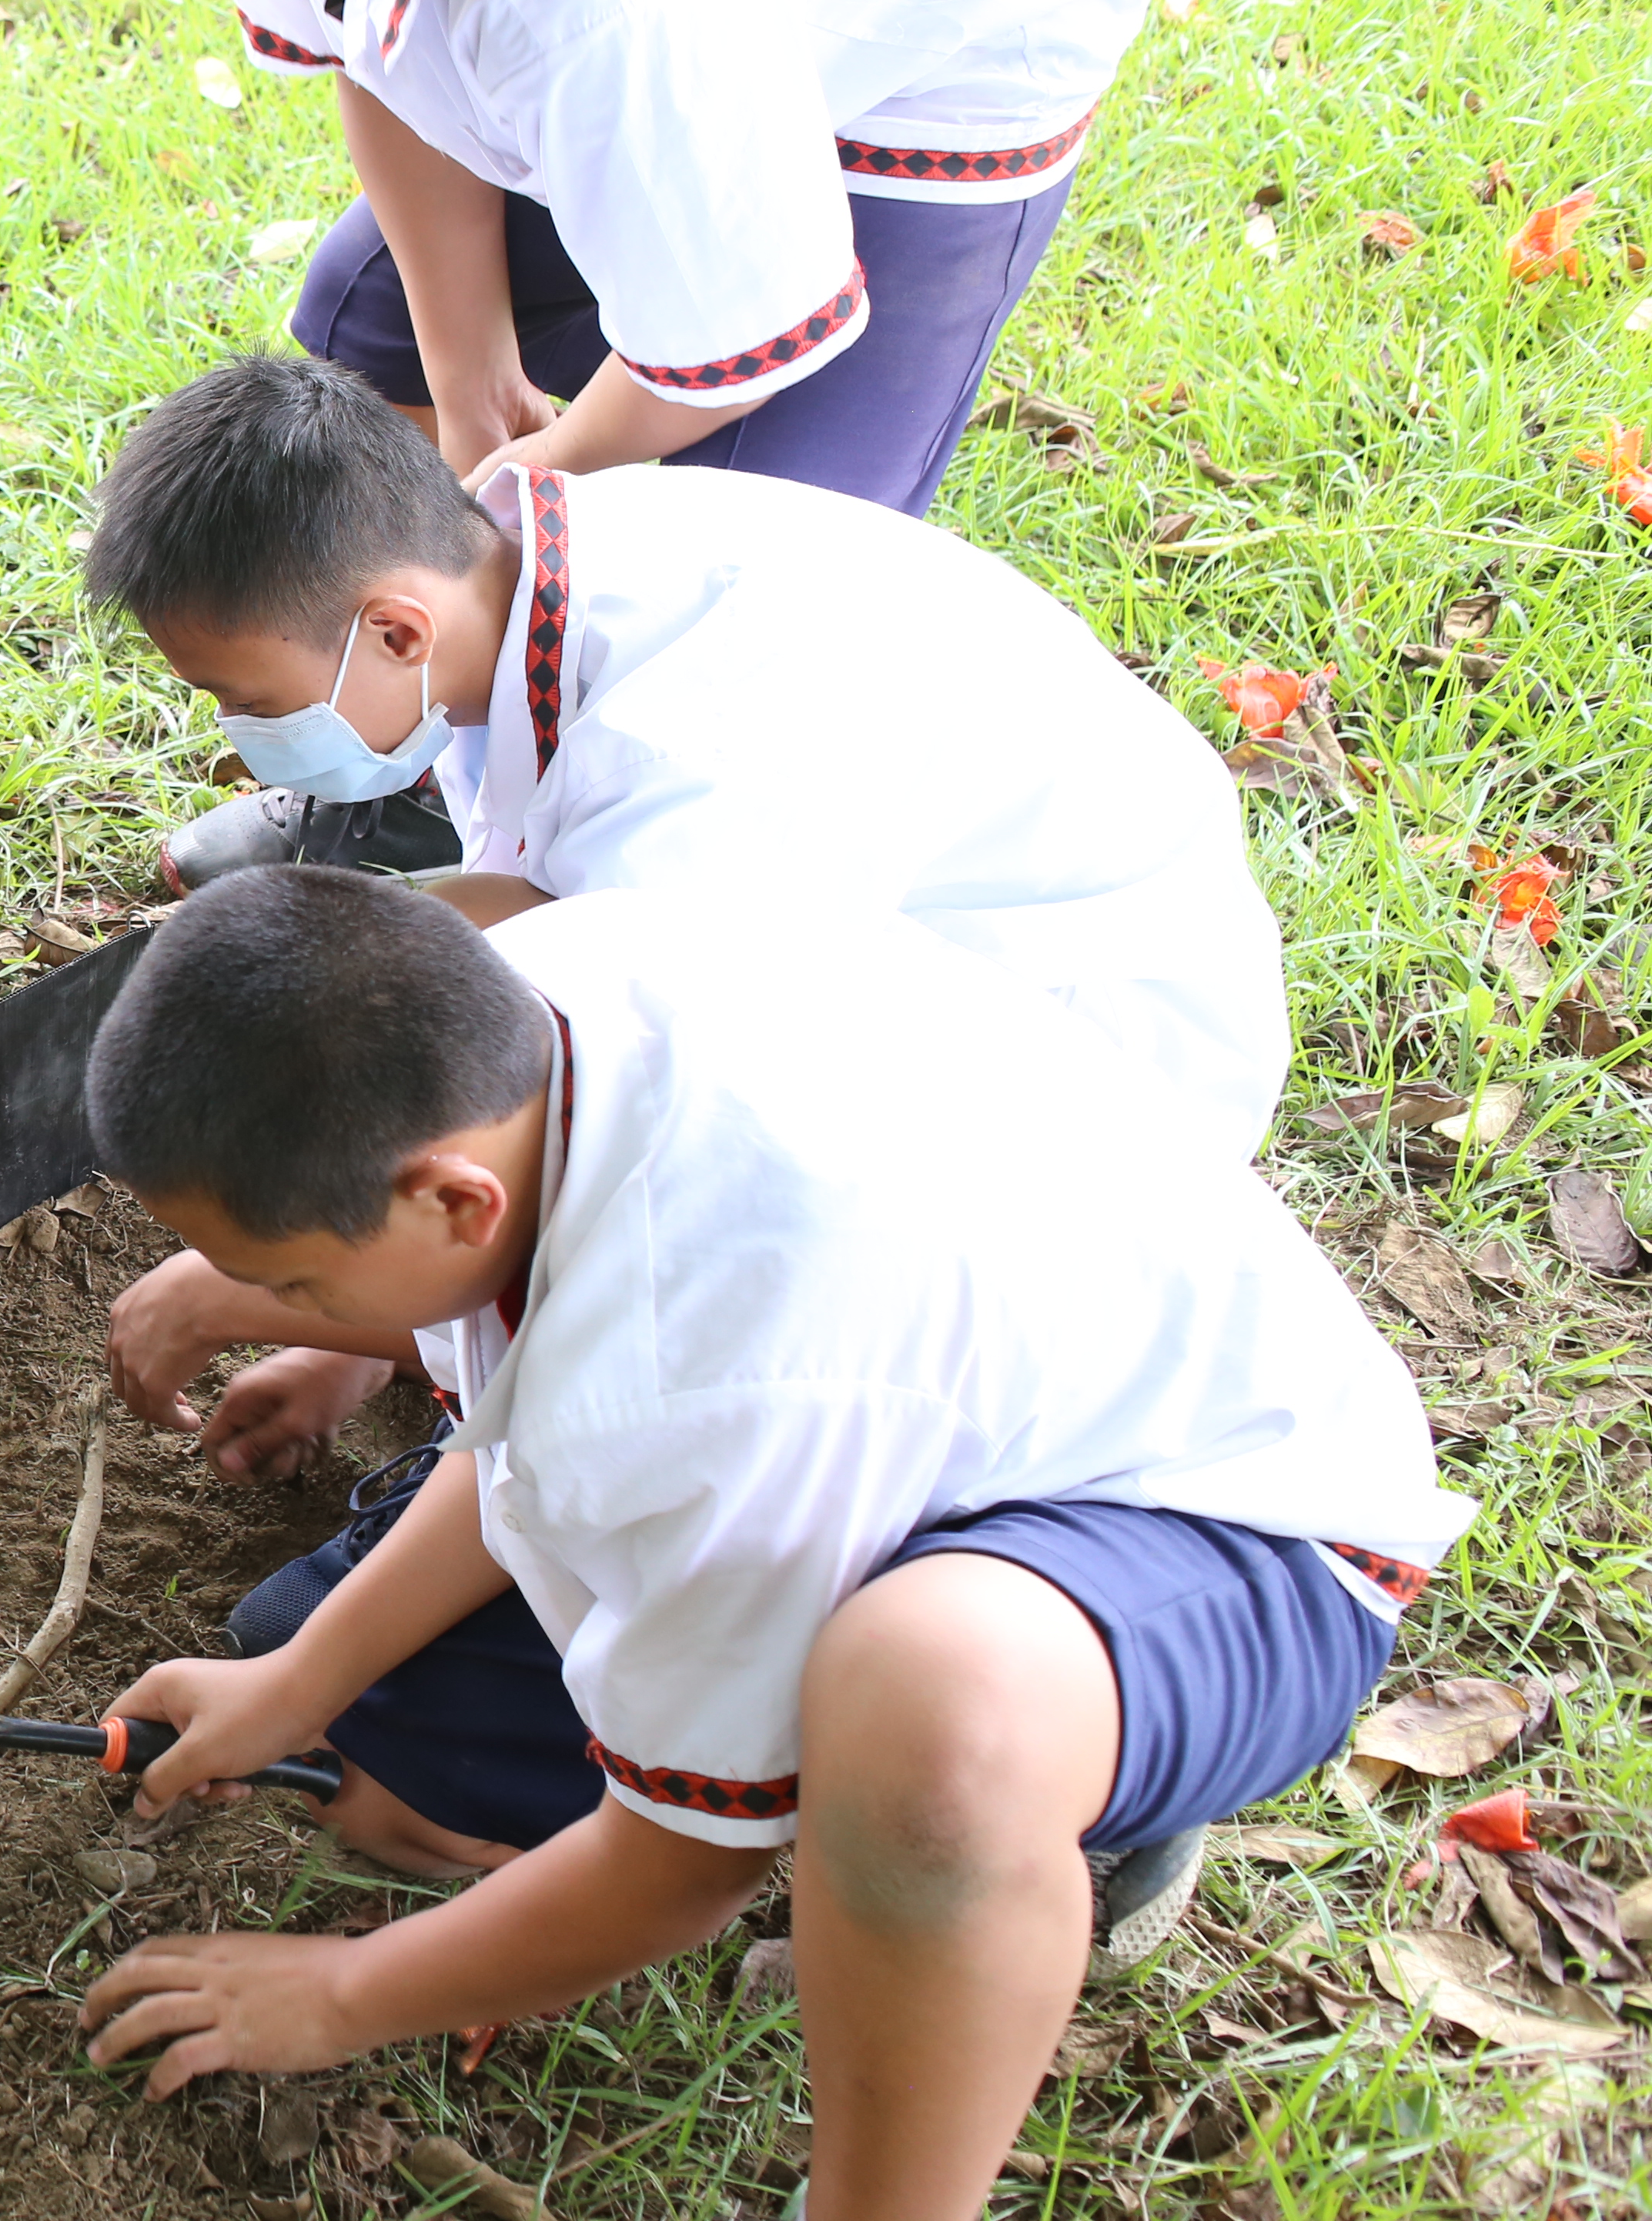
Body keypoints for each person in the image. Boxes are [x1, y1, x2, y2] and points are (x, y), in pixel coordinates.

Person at [69, 868, 1458, 2221]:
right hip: (995, 1400)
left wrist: (340, 1995)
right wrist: (300, 1680)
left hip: (1245, 1529)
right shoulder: (533, 1019)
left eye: (300, 1287)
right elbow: (522, 1406)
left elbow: (676, 1867)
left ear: (451, 1202)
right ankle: (1009, 1795)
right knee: (434, 1739)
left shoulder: (703, 1359)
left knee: (930, 1728)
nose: (291, 1317)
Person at [0, 0, 1159, 885]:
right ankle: (416, 752)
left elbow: (736, 332)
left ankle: (574, 842)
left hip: (930, 42)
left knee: (735, 600)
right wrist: (474, 390)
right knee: (372, 315)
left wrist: (539, 475)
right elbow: (375, 48)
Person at [90, 358, 1288, 1490]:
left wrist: (243, 1292)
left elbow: (660, 1146)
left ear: (395, 630)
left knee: (677, 1305)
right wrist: (354, 1336)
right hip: (885, 947)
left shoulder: (685, 752)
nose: (243, 738)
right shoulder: (509, 583)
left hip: (1077, 1082)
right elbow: (530, 904)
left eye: (251, 703)